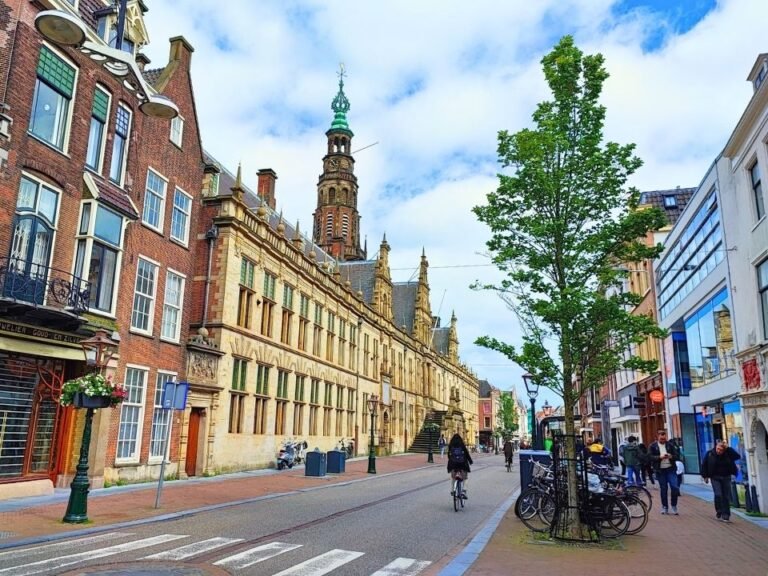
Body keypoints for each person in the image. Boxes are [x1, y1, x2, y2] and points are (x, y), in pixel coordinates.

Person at [701, 440, 741, 523]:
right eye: (718, 449)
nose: (719, 451)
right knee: (718, 494)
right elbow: (704, 464)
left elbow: (737, 456)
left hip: (726, 476)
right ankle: (719, 510)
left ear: (724, 450)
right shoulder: (710, 454)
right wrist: (705, 476)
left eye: (721, 450)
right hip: (715, 477)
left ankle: (726, 514)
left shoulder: (728, 453)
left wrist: (728, 449)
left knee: (726, 496)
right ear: (716, 447)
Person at [649, 429, 681, 515]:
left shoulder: (670, 445)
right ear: (658, 437)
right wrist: (659, 457)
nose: (663, 440)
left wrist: (671, 456)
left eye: (664, 439)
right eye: (661, 439)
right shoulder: (653, 446)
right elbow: (649, 457)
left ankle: (674, 505)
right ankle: (665, 507)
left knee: (675, 487)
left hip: (671, 469)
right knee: (664, 489)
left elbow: (677, 456)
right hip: (660, 470)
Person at [447, 433, 473, 499]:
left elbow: (448, 455)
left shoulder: (451, 445)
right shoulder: (462, 444)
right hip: (462, 463)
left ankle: (452, 490)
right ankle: (463, 491)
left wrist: (450, 460)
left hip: (453, 463)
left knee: (453, 477)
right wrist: (470, 461)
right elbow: (466, 454)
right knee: (465, 478)